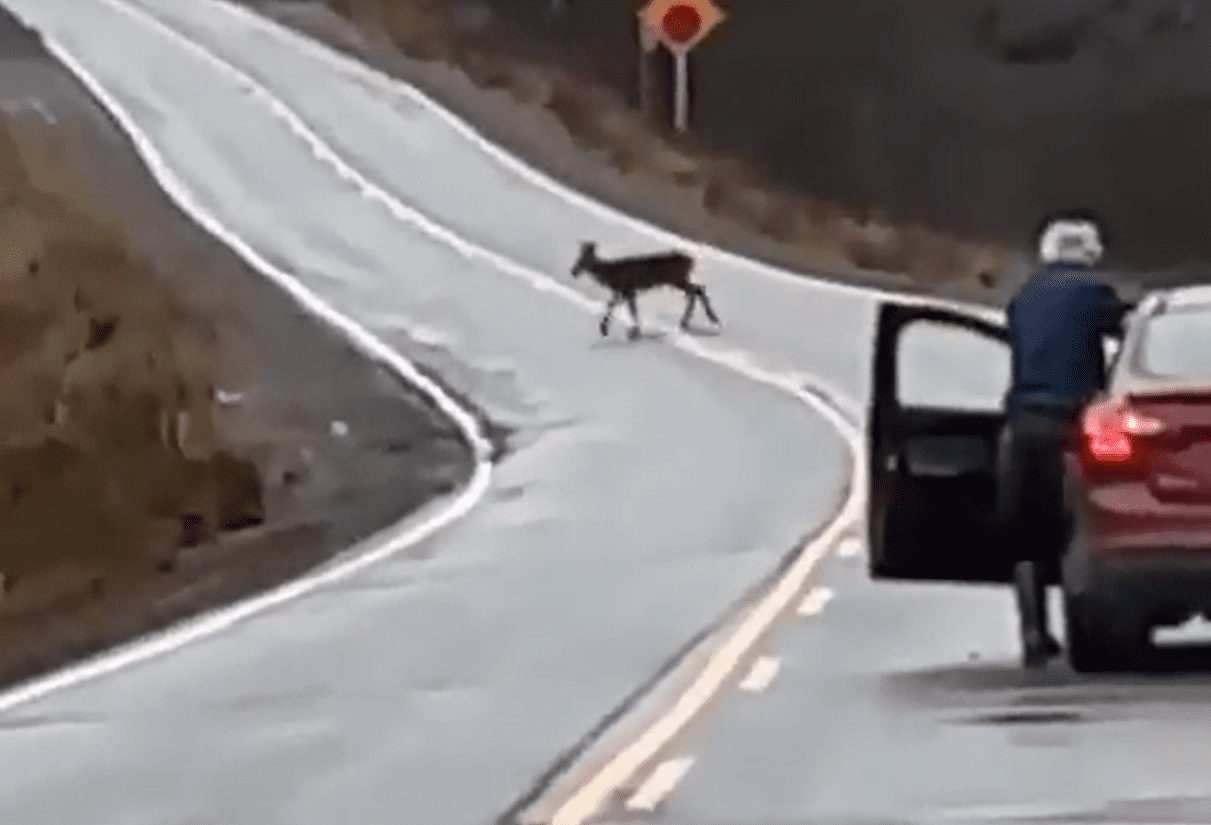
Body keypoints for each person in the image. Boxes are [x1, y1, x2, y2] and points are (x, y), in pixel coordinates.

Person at [997, 211, 1135, 668]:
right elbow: (1128, 334)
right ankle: (1084, 628)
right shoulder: (1095, 293)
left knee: (1026, 533)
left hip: (1022, 424)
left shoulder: (1024, 296)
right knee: (1078, 527)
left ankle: (1033, 632)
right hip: (1073, 424)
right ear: (1089, 252)